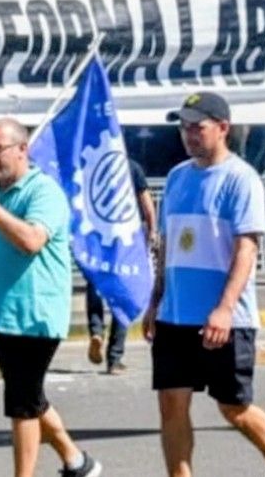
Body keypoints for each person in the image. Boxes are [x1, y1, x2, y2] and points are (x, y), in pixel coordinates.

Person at [145, 92, 265, 477]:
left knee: (232, 407)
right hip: (175, 315)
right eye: (183, 127)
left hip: (225, 318)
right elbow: (166, 247)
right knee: (171, 403)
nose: (189, 135)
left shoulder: (241, 179)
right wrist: (156, 301)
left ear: (222, 128)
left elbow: (246, 249)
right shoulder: (178, 177)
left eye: (197, 127)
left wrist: (225, 308)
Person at [0, 117, 102, 477]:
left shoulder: (43, 191)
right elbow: (3, 248)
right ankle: (76, 460)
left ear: (22, 150)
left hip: (33, 313)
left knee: (21, 404)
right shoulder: (2, 193)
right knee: (29, 396)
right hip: (5, 312)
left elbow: (31, 240)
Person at [86, 158, 157, 375]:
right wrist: (152, 231)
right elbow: (146, 202)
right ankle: (114, 358)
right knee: (123, 295)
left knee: (95, 286)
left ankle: (96, 331)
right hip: (126, 242)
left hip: (96, 239)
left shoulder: (92, 165)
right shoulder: (132, 167)